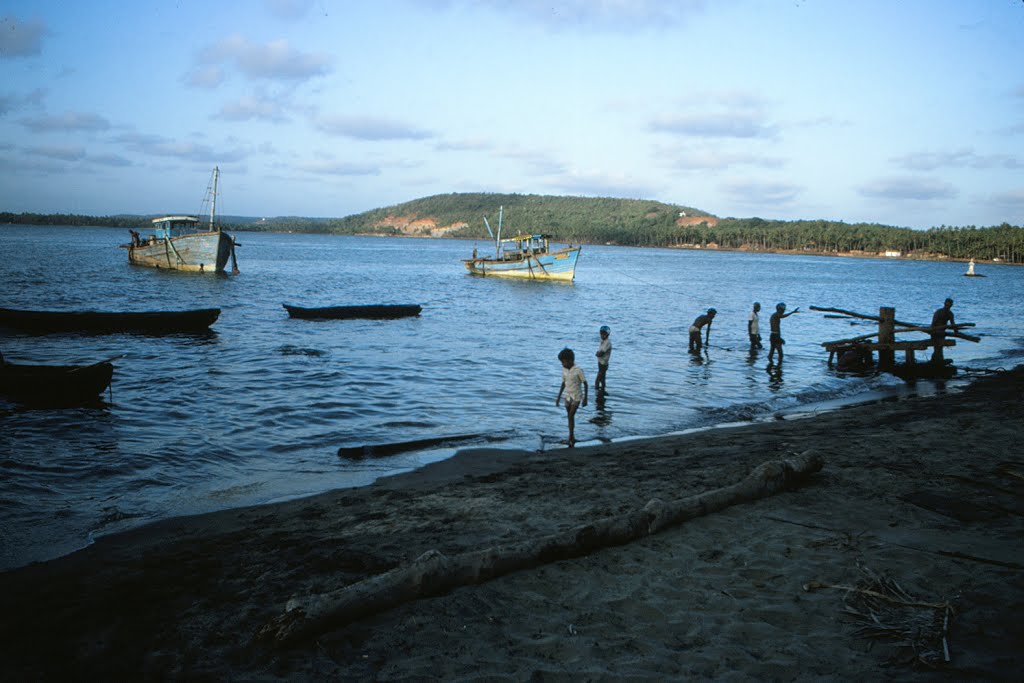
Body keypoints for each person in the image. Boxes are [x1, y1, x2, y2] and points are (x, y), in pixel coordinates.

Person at [556, 348, 588, 447]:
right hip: (567, 396)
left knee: (570, 416)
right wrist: (558, 397)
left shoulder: (578, 370)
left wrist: (585, 398)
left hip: (576, 397)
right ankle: (572, 437)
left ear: (570, 360)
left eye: (563, 362)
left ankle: (570, 437)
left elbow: (585, 384)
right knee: (570, 417)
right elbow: (563, 383)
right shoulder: (564, 370)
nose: (562, 364)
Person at [930, 298, 955, 364]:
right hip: (935, 332)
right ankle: (935, 360)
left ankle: (938, 360)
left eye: (949, 305)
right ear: (944, 304)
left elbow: (953, 325)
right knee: (937, 347)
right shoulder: (938, 312)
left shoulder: (950, 314)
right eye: (947, 305)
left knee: (940, 347)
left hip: (942, 332)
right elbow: (933, 323)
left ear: (951, 305)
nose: (948, 306)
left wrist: (956, 331)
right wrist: (932, 332)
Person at [594, 325, 612, 393]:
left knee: (598, 380)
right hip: (600, 362)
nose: (602, 335)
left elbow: (600, 353)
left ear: (607, 334)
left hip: (603, 364)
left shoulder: (607, 343)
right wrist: (598, 353)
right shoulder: (603, 341)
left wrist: (598, 354)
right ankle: (602, 391)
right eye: (601, 333)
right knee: (602, 379)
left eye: (604, 333)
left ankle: (597, 392)